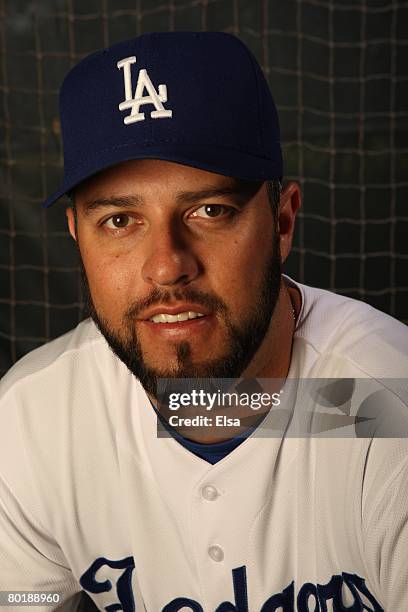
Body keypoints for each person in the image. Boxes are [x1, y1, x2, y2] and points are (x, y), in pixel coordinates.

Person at [0, 31, 407, 612]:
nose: (167, 266)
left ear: (283, 221)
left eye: (210, 211)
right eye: (119, 220)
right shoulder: (32, 421)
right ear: (78, 238)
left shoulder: (384, 405)